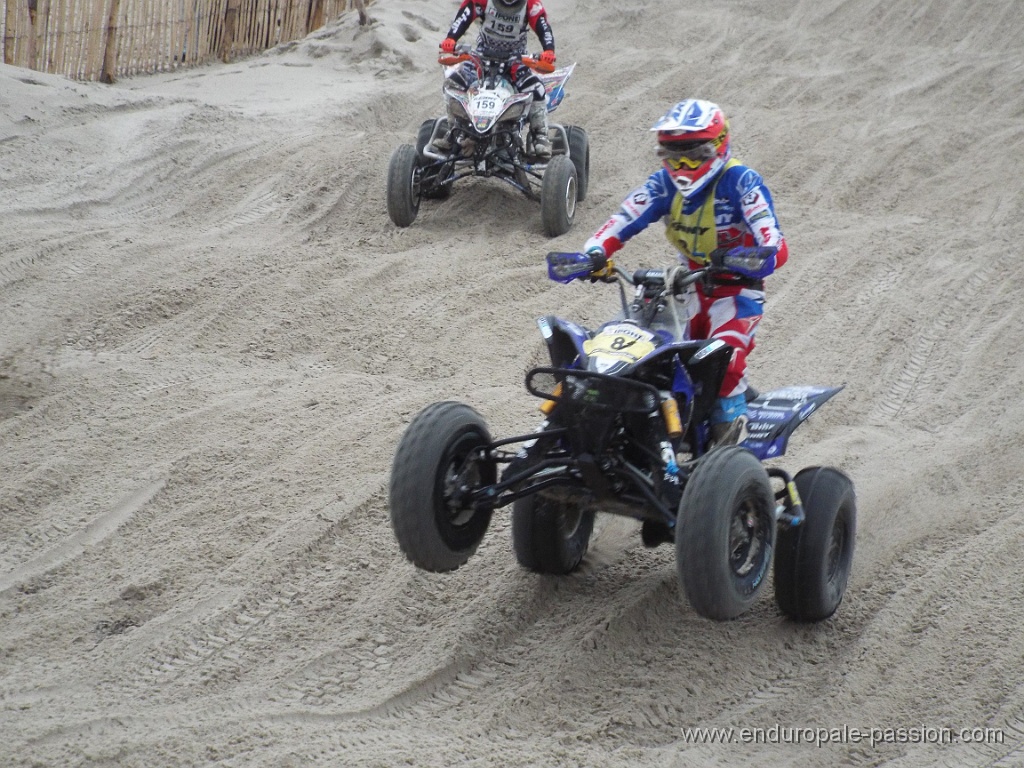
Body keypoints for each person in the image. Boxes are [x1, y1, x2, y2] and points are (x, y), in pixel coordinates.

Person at [582, 98, 789, 447]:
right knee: (651, 359)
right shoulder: (663, 184)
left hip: (737, 292)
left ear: (718, 145)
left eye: (693, 155)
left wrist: (748, 256)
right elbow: (624, 218)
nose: (682, 165)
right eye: (672, 155)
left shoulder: (740, 181)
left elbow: (775, 243)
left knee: (724, 360)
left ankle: (726, 457)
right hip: (687, 288)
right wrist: (595, 252)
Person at [434, 0, 556, 158]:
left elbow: (543, 27)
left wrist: (549, 50)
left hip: (515, 61)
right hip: (481, 58)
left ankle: (540, 136)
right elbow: (465, 15)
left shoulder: (531, 5)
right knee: (452, 84)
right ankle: (454, 131)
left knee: (537, 89)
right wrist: (451, 38)